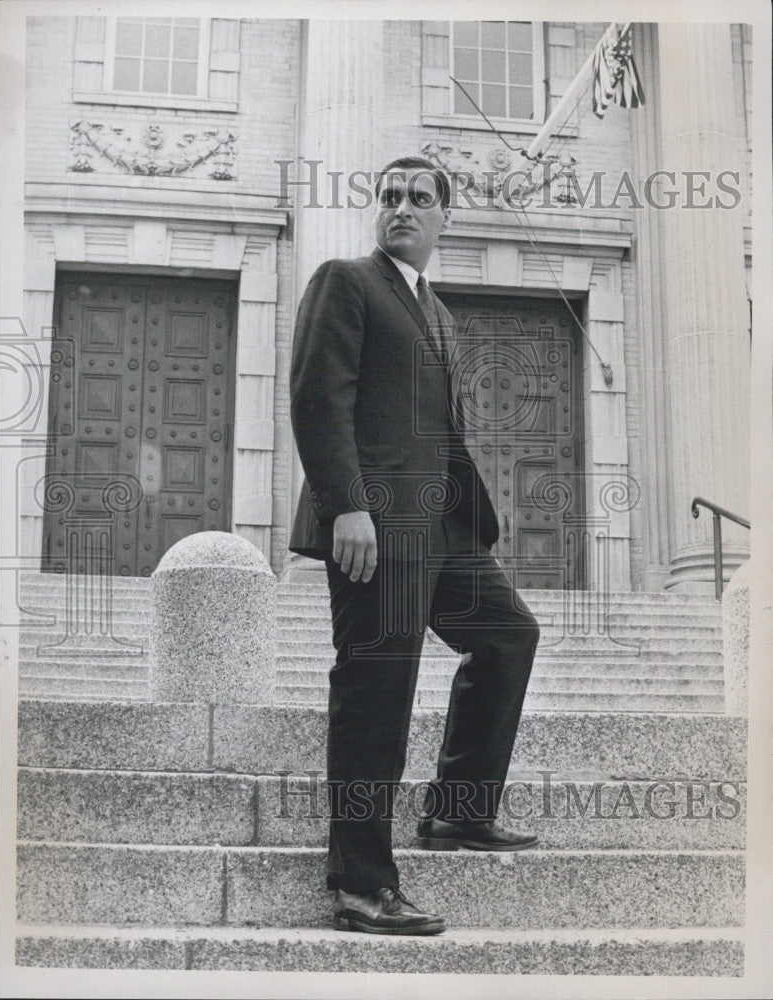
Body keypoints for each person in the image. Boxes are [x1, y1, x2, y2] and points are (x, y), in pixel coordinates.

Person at [289, 155, 540, 936]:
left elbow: (442, 433)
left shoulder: (438, 312)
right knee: (377, 697)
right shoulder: (346, 280)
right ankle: (361, 886)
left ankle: (459, 811)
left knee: (509, 635)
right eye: (389, 196)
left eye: (418, 198)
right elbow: (317, 399)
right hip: (373, 530)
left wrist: (472, 524)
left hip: (441, 531)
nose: (400, 207)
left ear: (444, 218)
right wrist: (346, 509)